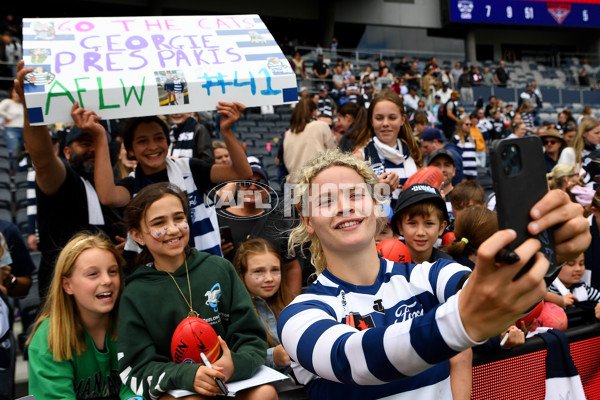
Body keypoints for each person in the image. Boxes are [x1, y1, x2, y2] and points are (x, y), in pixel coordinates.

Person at [278, 148, 589, 399]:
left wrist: (541, 252)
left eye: (355, 195)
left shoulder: (429, 275)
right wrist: (462, 319)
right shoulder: (299, 316)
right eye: (327, 200)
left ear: (376, 206)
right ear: (308, 221)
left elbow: (486, 286)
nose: (344, 207)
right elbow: (356, 361)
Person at [118, 183, 276, 399]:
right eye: (159, 223)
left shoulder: (220, 269)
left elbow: (251, 337)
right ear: (138, 235)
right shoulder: (135, 293)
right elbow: (138, 367)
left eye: (179, 218)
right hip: (177, 388)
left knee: (265, 394)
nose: (173, 229)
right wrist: (186, 375)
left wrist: (233, 364)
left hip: (229, 381)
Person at [71, 101, 251, 257]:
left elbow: (242, 173)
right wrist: (100, 136)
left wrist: (226, 131)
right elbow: (108, 196)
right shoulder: (132, 184)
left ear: (168, 143)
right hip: (160, 276)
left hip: (205, 268)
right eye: (142, 141)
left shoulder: (190, 168)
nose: (152, 146)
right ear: (131, 150)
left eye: (159, 138)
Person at [15, 61, 125, 298]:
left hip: (112, 302)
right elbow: (43, 159)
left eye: (99, 141)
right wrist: (31, 108)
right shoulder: (67, 183)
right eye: (85, 143)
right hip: (65, 306)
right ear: (66, 152)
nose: (94, 149)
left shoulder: (120, 191)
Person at [27, 232, 139, 400]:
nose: (107, 280)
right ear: (67, 285)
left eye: (113, 271)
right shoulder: (48, 339)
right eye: (93, 274)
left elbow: (137, 385)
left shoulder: (132, 323)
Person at [233, 238, 296, 371]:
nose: (269, 278)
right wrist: (272, 357)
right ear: (242, 274)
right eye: (258, 271)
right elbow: (234, 359)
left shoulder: (294, 304)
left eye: (275, 270)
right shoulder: (235, 314)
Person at [352, 89, 422, 203]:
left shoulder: (412, 153)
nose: (385, 123)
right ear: (371, 120)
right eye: (379, 118)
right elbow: (349, 200)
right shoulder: (359, 157)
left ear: (402, 119)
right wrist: (375, 192)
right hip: (377, 220)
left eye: (392, 118)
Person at [391, 184, 452, 264]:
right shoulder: (387, 265)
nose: (420, 233)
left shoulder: (449, 267)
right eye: (412, 223)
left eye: (429, 223)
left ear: (441, 227)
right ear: (400, 227)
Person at [282, 97, 335, 180]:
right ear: (314, 111)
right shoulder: (321, 126)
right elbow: (333, 153)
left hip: (293, 184)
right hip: (315, 181)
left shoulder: (289, 133)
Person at [546, 253, 600, 320]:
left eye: (581, 264)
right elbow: (538, 296)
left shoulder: (583, 287)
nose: (578, 269)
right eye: (571, 264)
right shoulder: (549, 287)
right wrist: (560, 300)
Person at [0, 86, 23, 156]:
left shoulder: (22, 105)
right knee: (14, 151)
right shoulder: (7, 102)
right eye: (14, 92)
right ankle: (12, 166)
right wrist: (8, 116)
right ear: (11, 93)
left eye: (18, 93)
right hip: (11, 129)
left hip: (23, 130)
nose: (16, 94)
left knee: (22, 153)